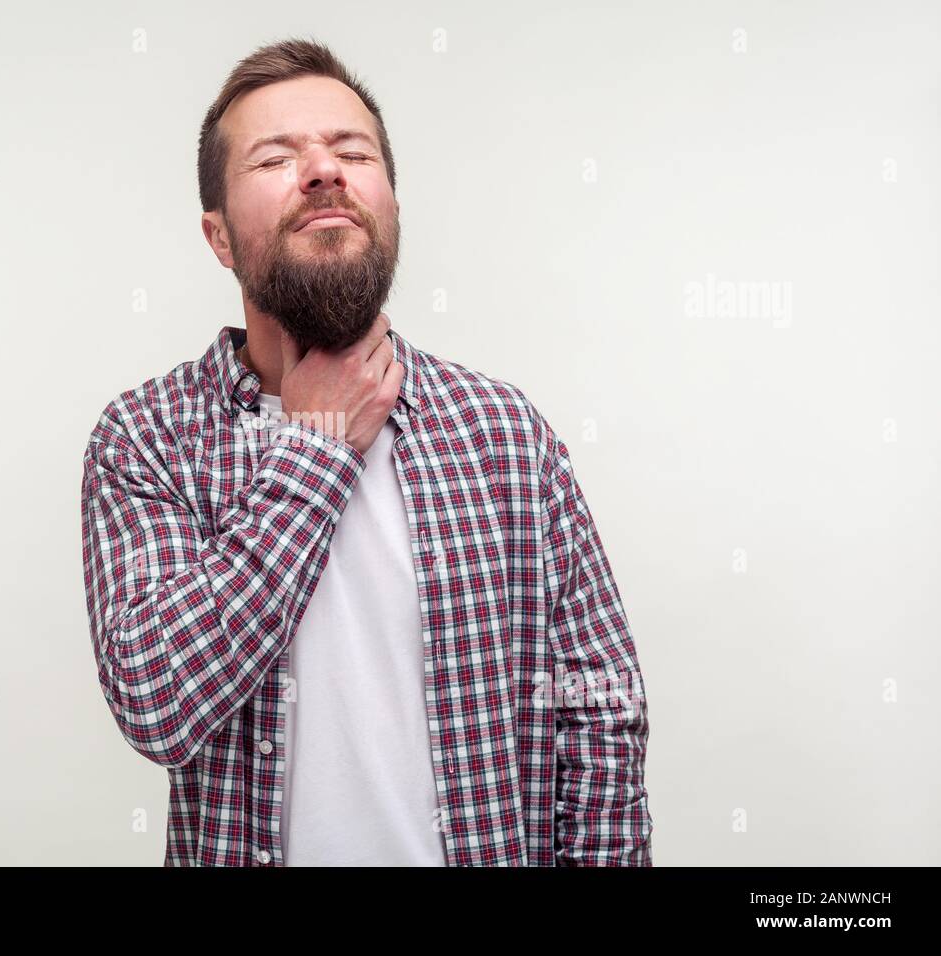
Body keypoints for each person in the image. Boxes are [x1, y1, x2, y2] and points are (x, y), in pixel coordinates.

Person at [80, 37, 652, 866]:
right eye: (277, 158)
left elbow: (600, 714)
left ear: (390, 202)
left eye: (352, 152)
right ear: (219, 239)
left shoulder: (502, 433)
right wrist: (316, 451)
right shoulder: (148, 437)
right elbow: (158, 701)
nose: (323, 171)